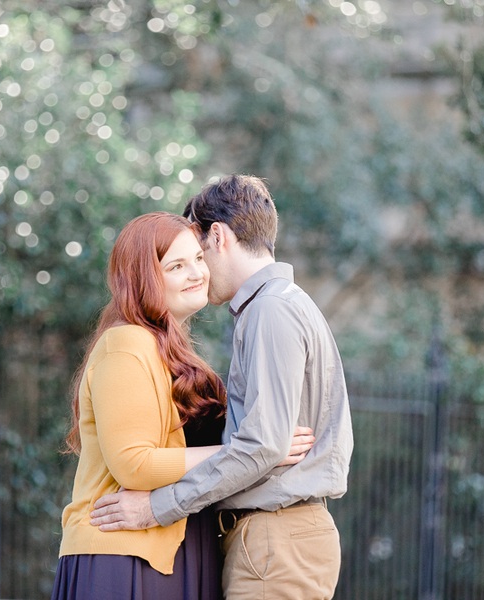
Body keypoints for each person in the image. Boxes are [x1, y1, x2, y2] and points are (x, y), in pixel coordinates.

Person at [90, 175, 354, 599]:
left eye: (198, 252)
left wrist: (155, 507)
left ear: (219, 236)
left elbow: (262, 446)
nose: (196, 269)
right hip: (274, 539)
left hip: (276, 538)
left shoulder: (271, 310)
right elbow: (265, 443)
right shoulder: (277, 304)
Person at [53, 211, 314, 600]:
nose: (197, 273)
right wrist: (251, 452)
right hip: (126, 553)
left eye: (198, 258)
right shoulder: (127, 343)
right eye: (176, 265)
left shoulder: (173, 353)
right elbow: (134, 465)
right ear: (143, 279)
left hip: (178, 548)